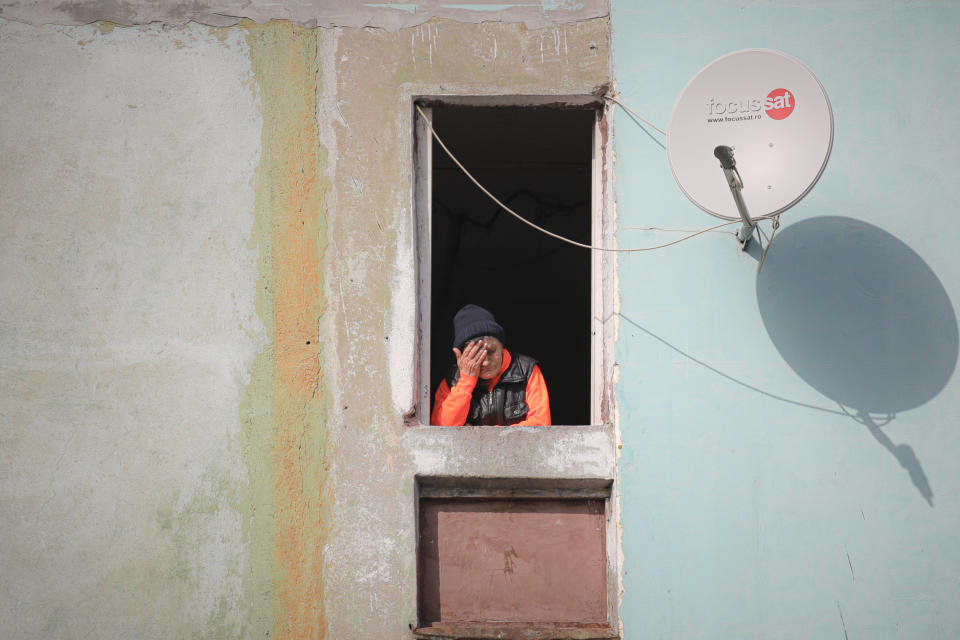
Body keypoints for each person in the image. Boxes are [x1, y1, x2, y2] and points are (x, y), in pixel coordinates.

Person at [431, 304, 551, 426]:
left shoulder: (526, 371)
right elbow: (442, 430)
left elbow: (541, 424)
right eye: (476, 355)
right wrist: (466, 380)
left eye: (492, 351)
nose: (486, 362)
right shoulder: (450, 381)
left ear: (502, 347)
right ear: (461, 356)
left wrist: (487, 436)